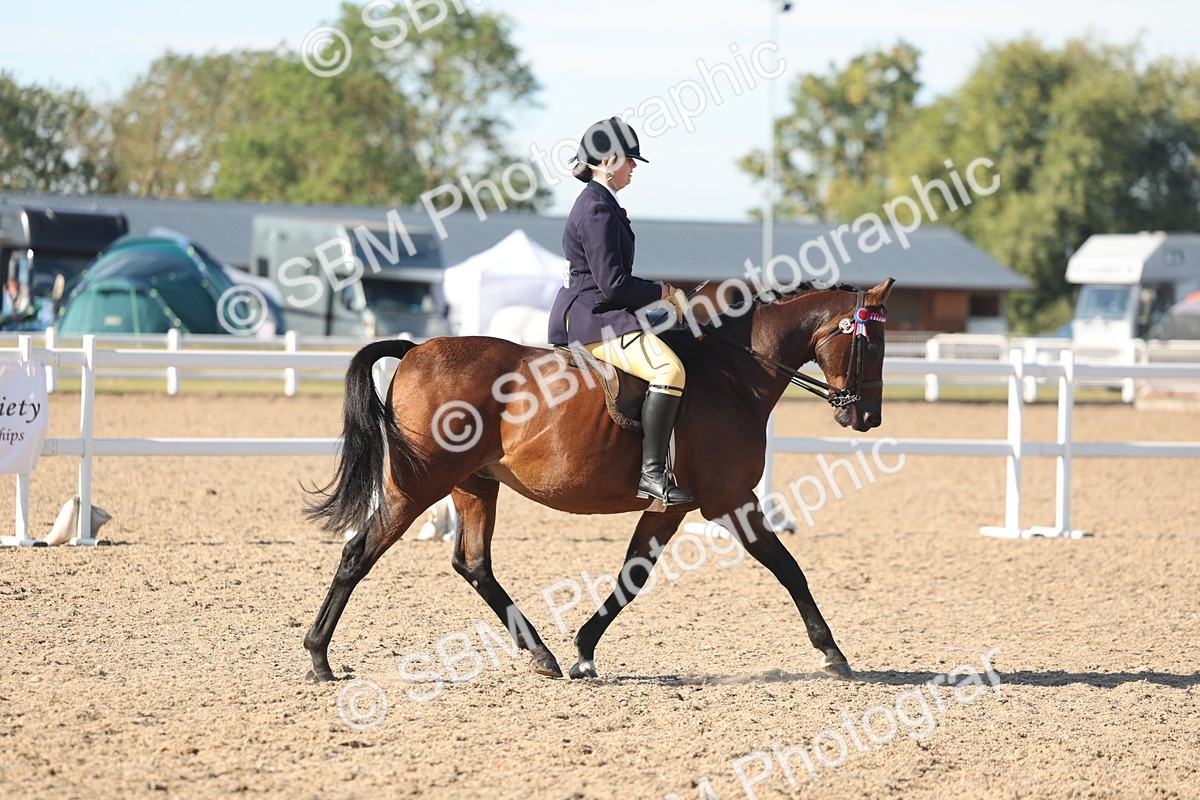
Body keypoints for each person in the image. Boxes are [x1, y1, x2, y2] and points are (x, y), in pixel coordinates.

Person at [547, 117, 693, 506]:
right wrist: (661, 292)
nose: (633, 168)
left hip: (599, 310)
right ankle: (652, 474)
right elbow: (613, 283)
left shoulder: (602, 204)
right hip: (592, 317)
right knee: (669, 370)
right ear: (608, 160)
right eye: (630, 160)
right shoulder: (596, 208)